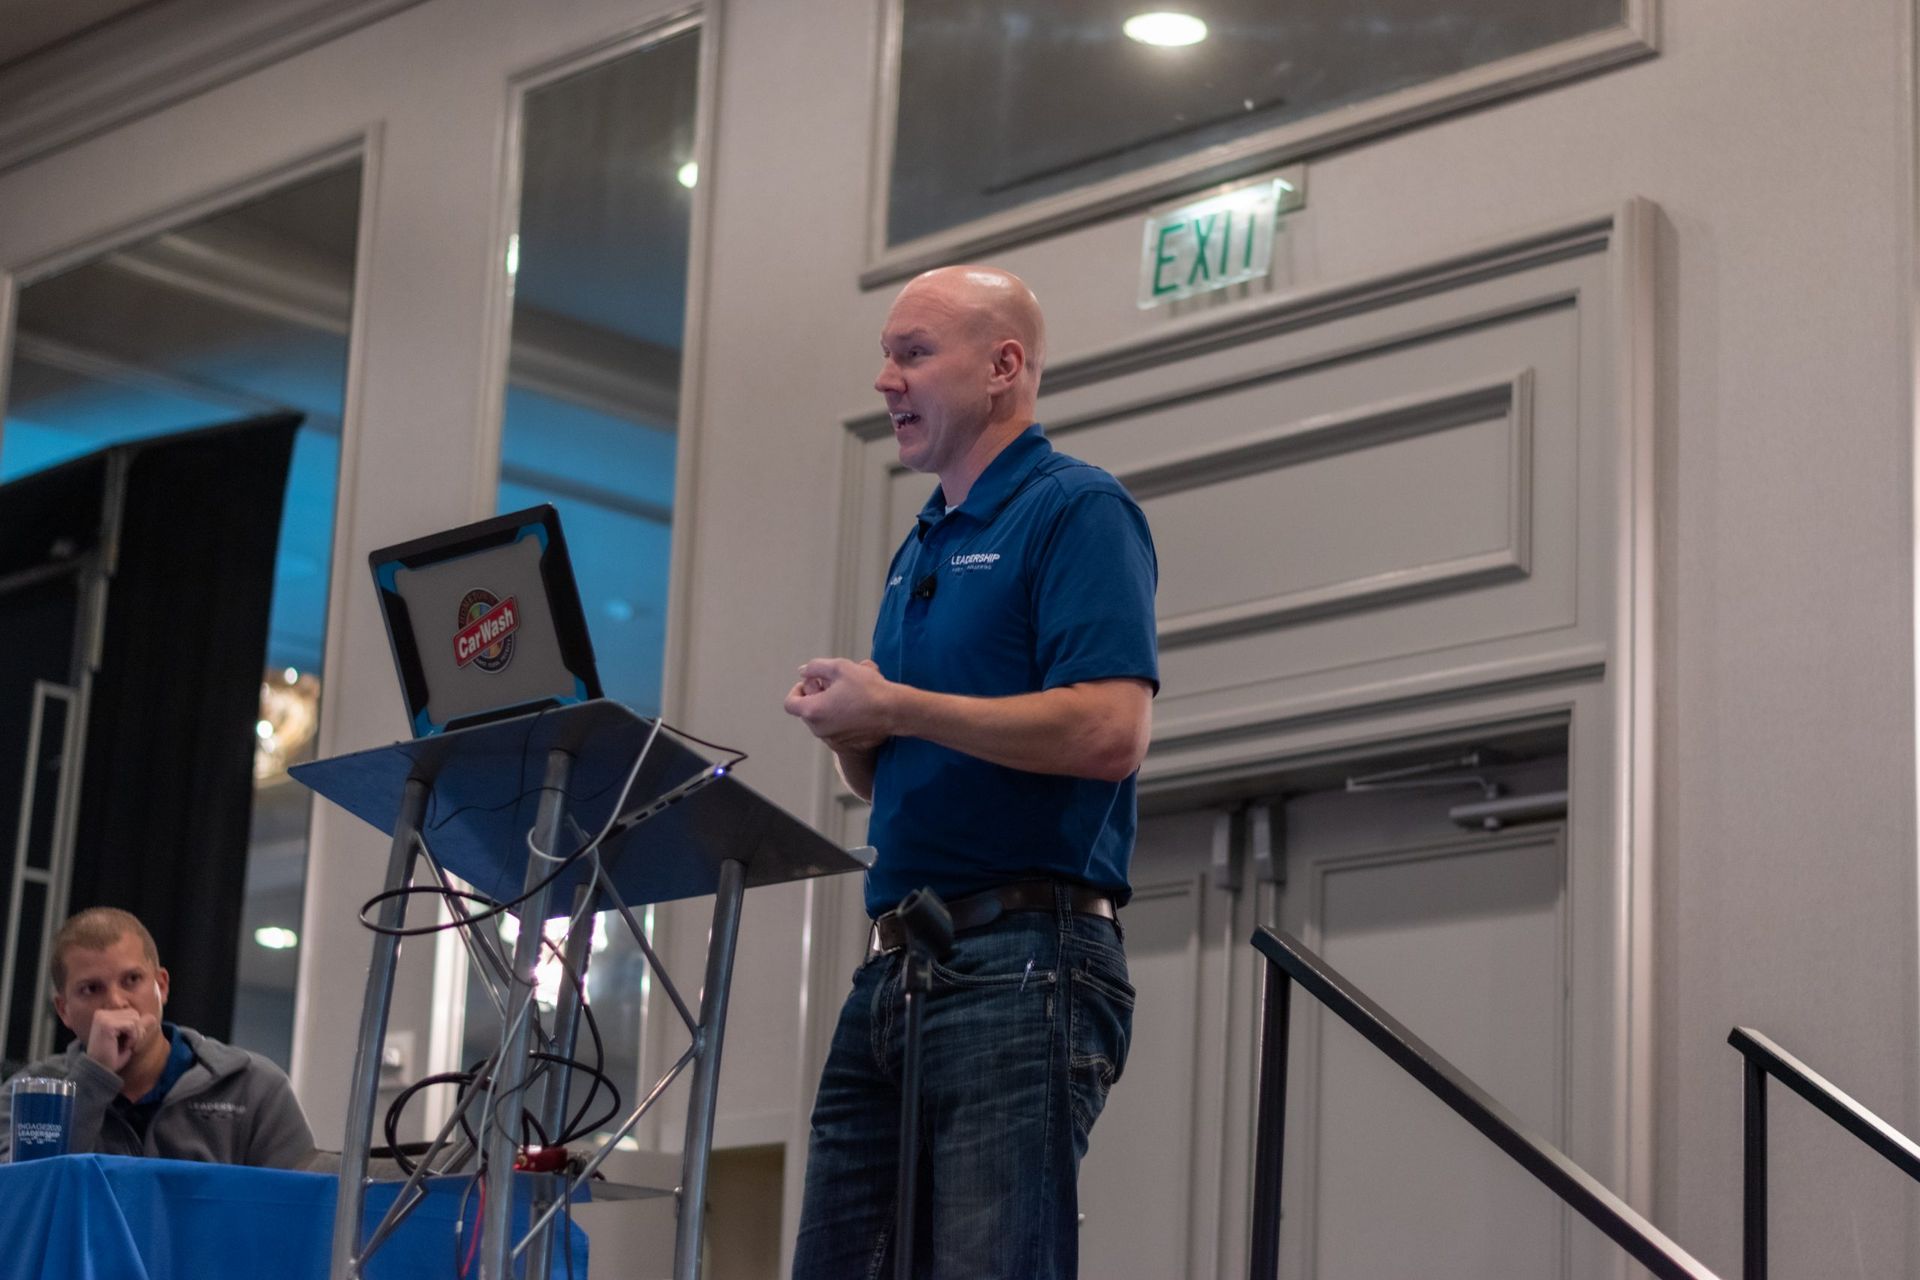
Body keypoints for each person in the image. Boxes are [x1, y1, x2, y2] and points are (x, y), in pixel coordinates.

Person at [784, 265, 1157, 1278]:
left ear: (1002, 367)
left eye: (913, 353)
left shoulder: (1077, 510)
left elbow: (1111, 729)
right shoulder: (924, 546)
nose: (884, 380)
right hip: (898, 964)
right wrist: (855, 728)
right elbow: (900, 779)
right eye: (885, 356)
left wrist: (894, 704)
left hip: (1023, 957)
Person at [0, 906, 315, 1167]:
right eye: (91, 989)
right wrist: (94, 1077)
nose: (117, 1002)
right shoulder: (29, 1096)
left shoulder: (254, 1087)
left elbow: (302, 1217)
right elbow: (18, 1209)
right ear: (64, 1010)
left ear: (161, 986)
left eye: (132, 980)